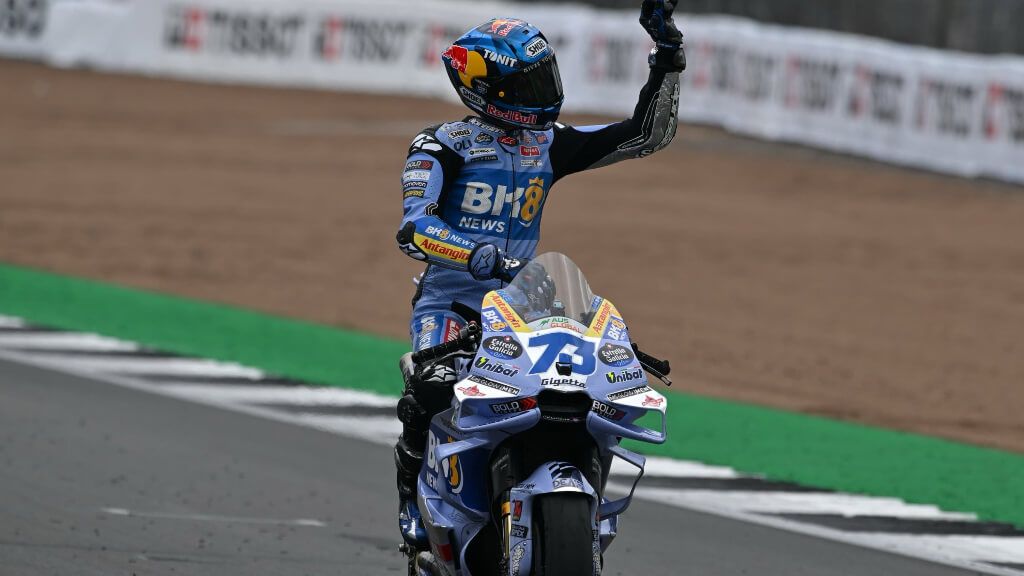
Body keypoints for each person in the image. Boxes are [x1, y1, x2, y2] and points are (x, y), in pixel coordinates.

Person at [393, 0, 686, 550]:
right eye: (528, 82)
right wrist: (472, 254)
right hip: (451, 304)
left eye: (545, 76)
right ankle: (412, 507)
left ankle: (574, 500)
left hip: (526, 303)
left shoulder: (547, 144)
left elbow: (646, 134)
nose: (544, 91)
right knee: (429, 392)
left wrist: (667, 57)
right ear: (488, 90)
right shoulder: (439, 146)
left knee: (572, 392)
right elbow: (413, 230)